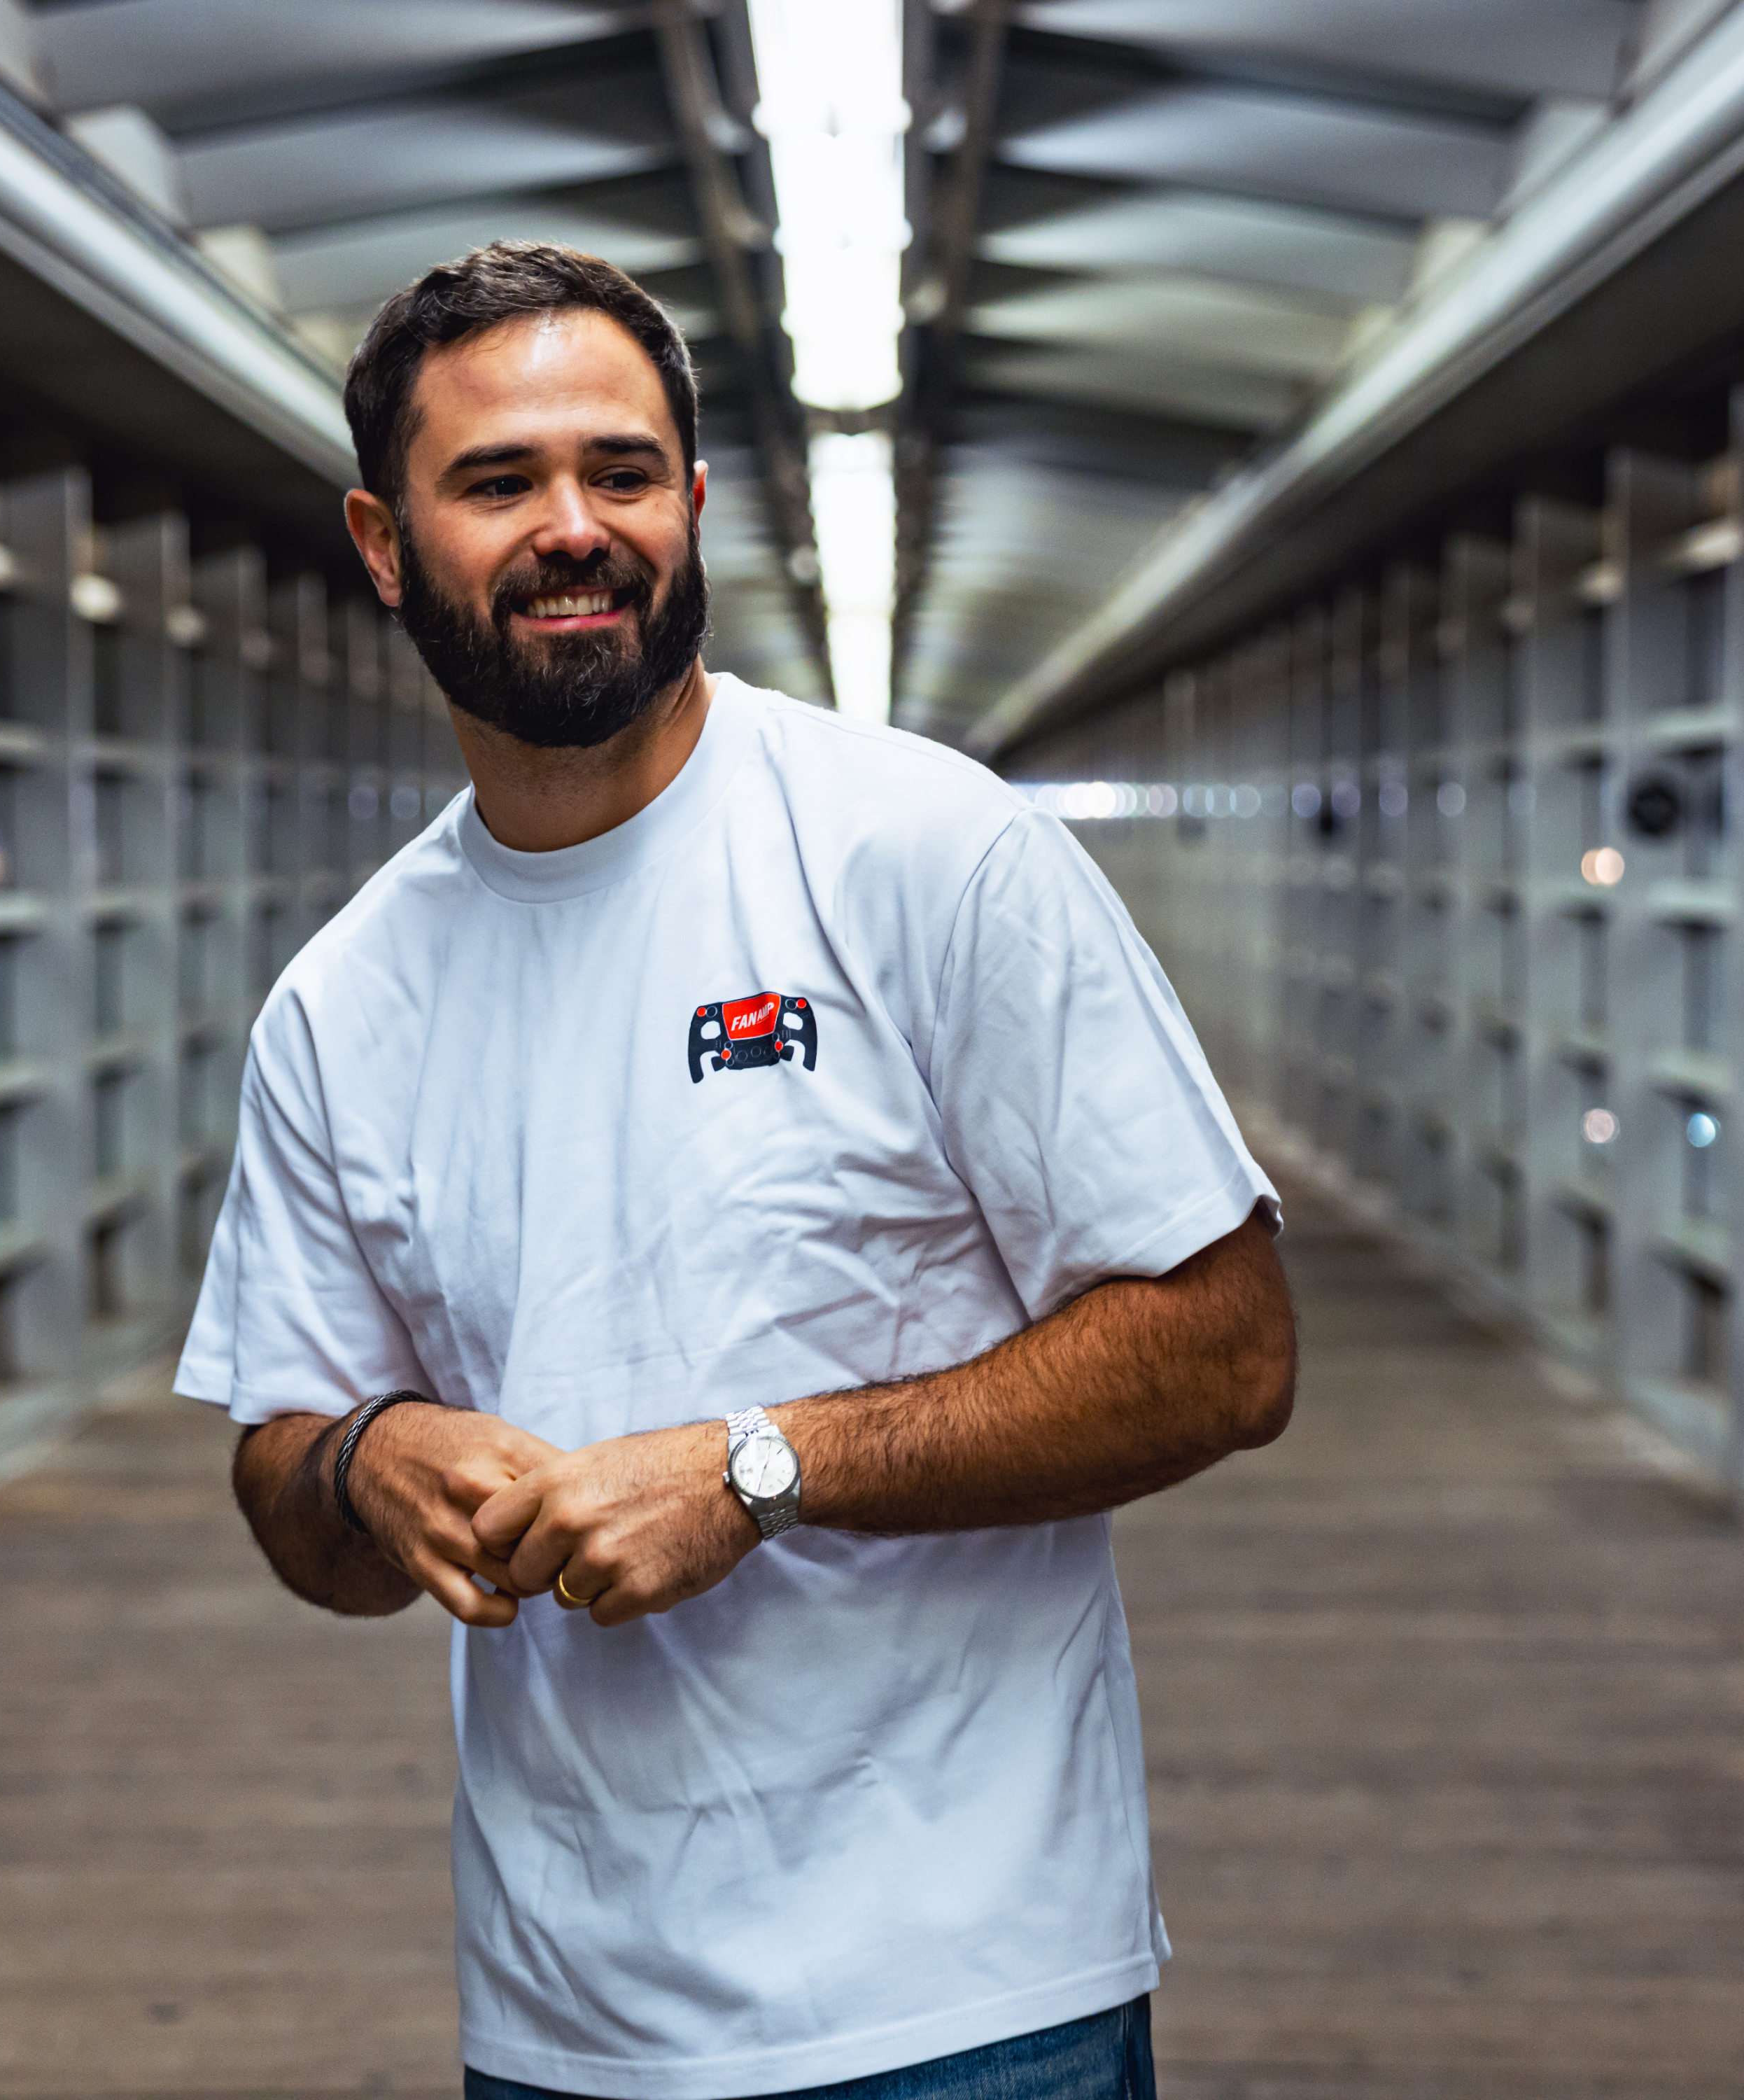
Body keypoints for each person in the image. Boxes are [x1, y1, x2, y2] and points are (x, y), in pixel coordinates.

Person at [176, 241, 1295, 2100]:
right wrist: (374, 1464)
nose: (572, 527)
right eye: (499, 481)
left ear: (691, 504)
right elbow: (289, 1491)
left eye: (620, 472)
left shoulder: (923, 855)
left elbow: (1228, 1348)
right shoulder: (343, 1005)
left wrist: (762, 1470)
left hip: (970, 1998)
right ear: (381, 542)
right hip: (564, 2019)